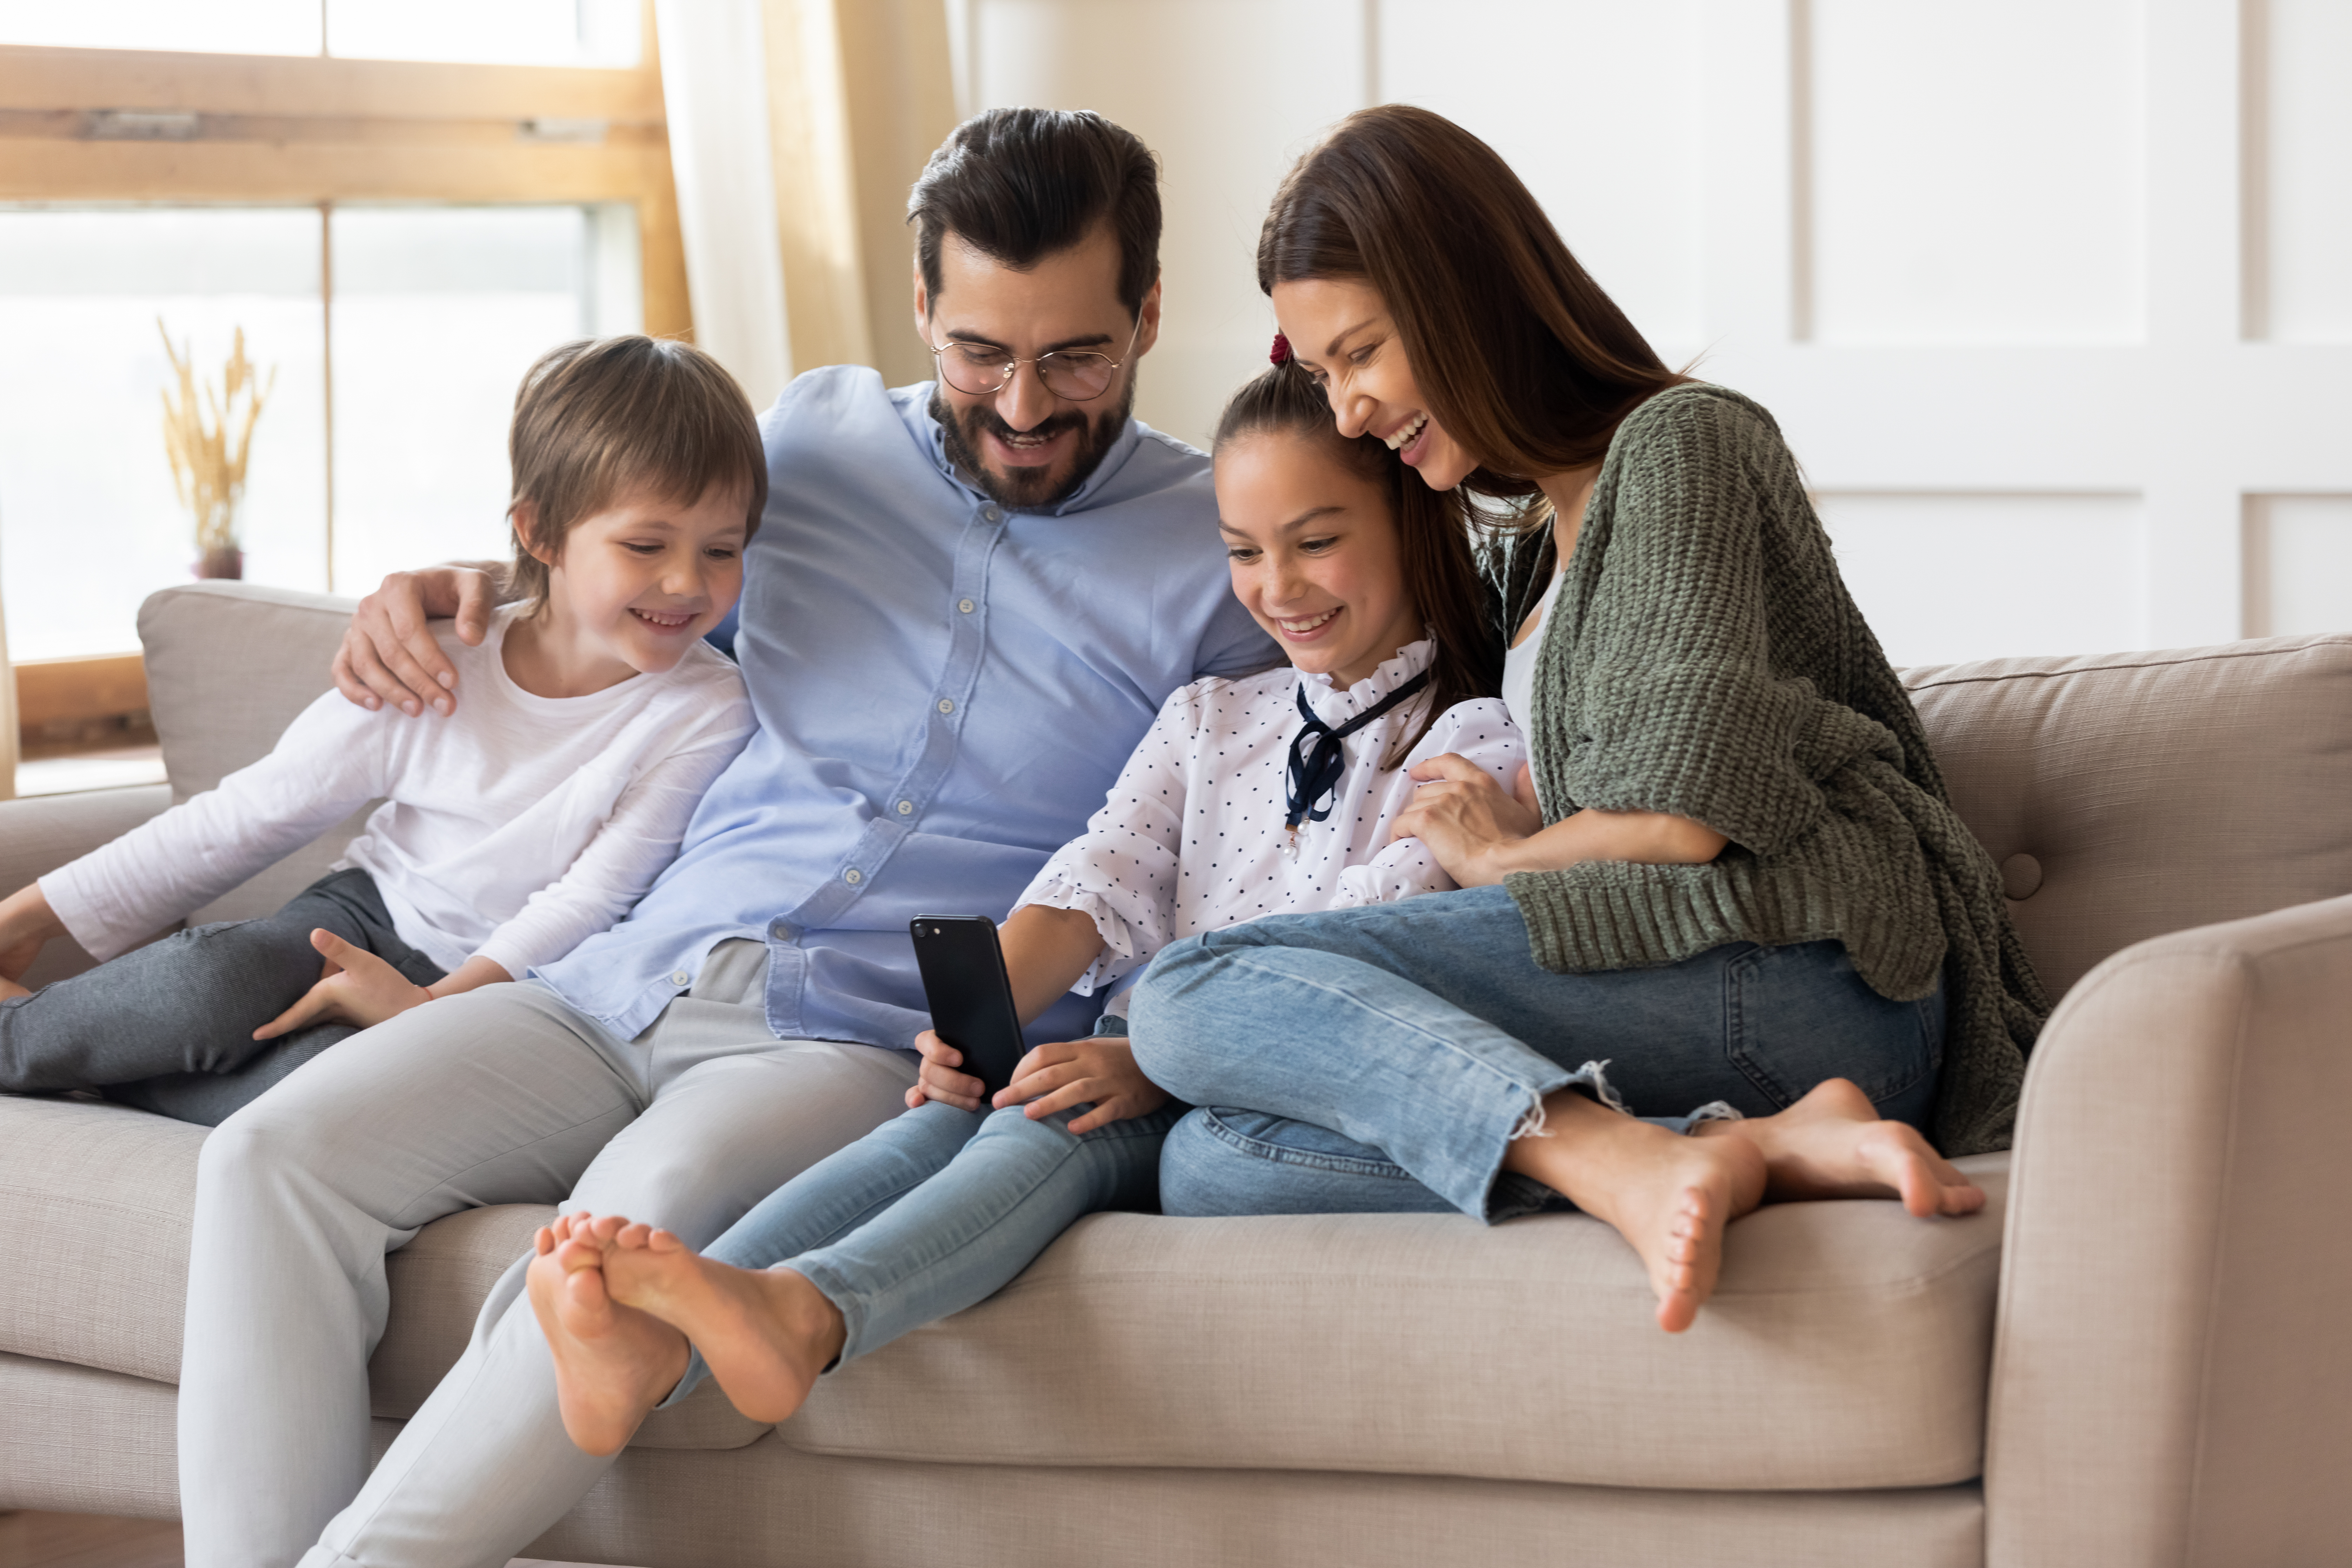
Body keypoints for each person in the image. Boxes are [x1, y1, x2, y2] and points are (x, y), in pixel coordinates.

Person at [173, 108, 1275, 1568]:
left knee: (610, 1255)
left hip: (859, 1039)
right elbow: (611, 563)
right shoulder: (809, 439)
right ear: (923, 307)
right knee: (269, 1162)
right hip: (626, 974)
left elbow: (1261, 832)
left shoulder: (1221, 550)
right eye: (977, 353)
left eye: (1073, 355)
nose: (1019, 404)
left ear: (1148, 312)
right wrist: (442, 585)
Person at [1118, 105, 2049, 1335]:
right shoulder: (1526, 552)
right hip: (1696, 996)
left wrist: (1499, 857)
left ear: (1459, 299)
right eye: (1322, 371)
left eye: (1360, 354)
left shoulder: (1681, 447)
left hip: (1810, 972)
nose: (1344, 410)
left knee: (1187, 997)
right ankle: (1736, 1147)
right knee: (1213, 1164)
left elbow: (1677, 823)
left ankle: (1633, 1160)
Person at [523, 358, 1534, 1453]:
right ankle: (670, 1337)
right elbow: (1099, 873)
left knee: (1051, 1126)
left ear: (1412, 522)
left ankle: (804, 1312)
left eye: (1316, 540)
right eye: (1243, 551)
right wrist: (974, 1019)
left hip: (1259, 1085)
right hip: (1127, 1045)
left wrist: (1154, 1060)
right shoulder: (1212, 714)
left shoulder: (1465, 744)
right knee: (947, 1117)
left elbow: (1343, 953)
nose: (1277, 586)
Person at [0, 334, 756, 1127]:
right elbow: (245, 817)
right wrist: (21, 921)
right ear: (541, 533)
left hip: (500, 989)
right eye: (646, 546)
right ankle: (27, 1043)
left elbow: (589, 899)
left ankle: (84, 1067)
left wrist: (426, 1009)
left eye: (722, 550)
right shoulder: (437, 661)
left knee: (330, 1089)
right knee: (209, 980)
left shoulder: (707, 708)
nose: (687, 583)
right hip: (360, 916)